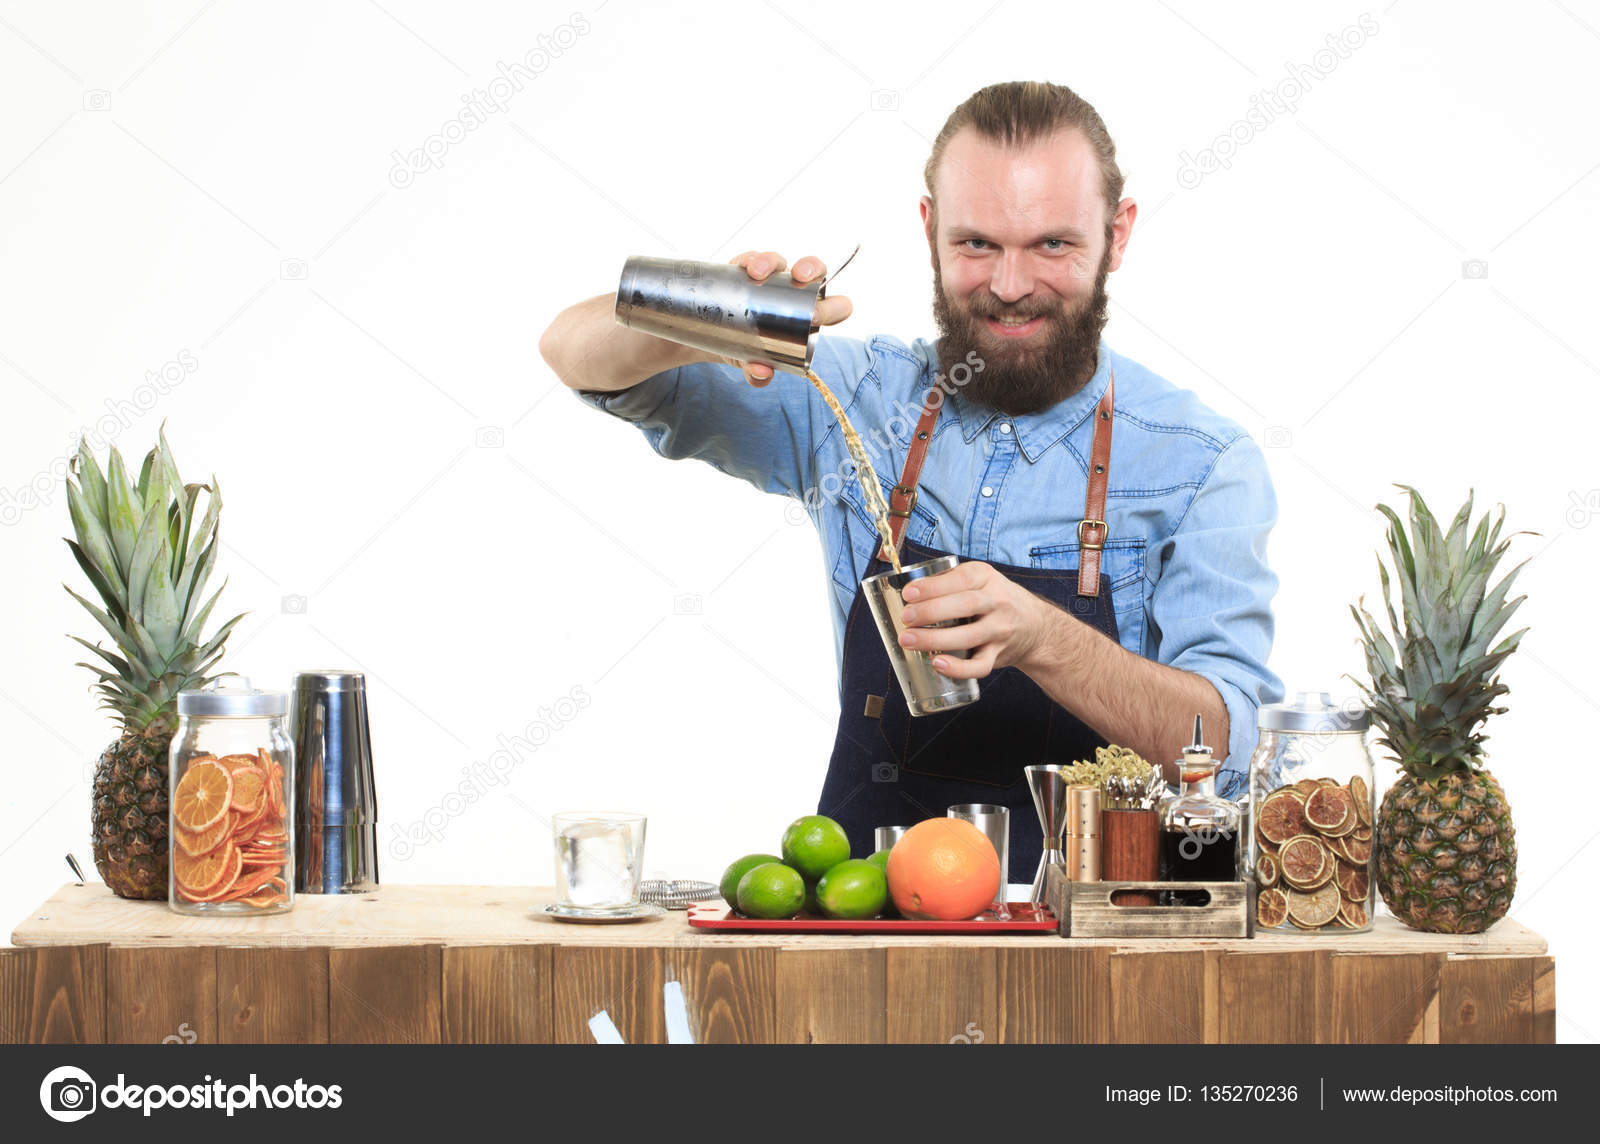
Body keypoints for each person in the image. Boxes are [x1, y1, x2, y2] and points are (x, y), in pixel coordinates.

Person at [540, 80, 1283, 879]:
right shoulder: (858, 402)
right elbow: (577, 355)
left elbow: (1231, 750)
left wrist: (1045, 639)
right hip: (866, 933)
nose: (1009, 285)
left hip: (1093, 956)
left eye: (1053, 246)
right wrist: (715, 308)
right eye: (976, 245)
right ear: (929, 229)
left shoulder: (1201, 461)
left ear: (1118, 232)